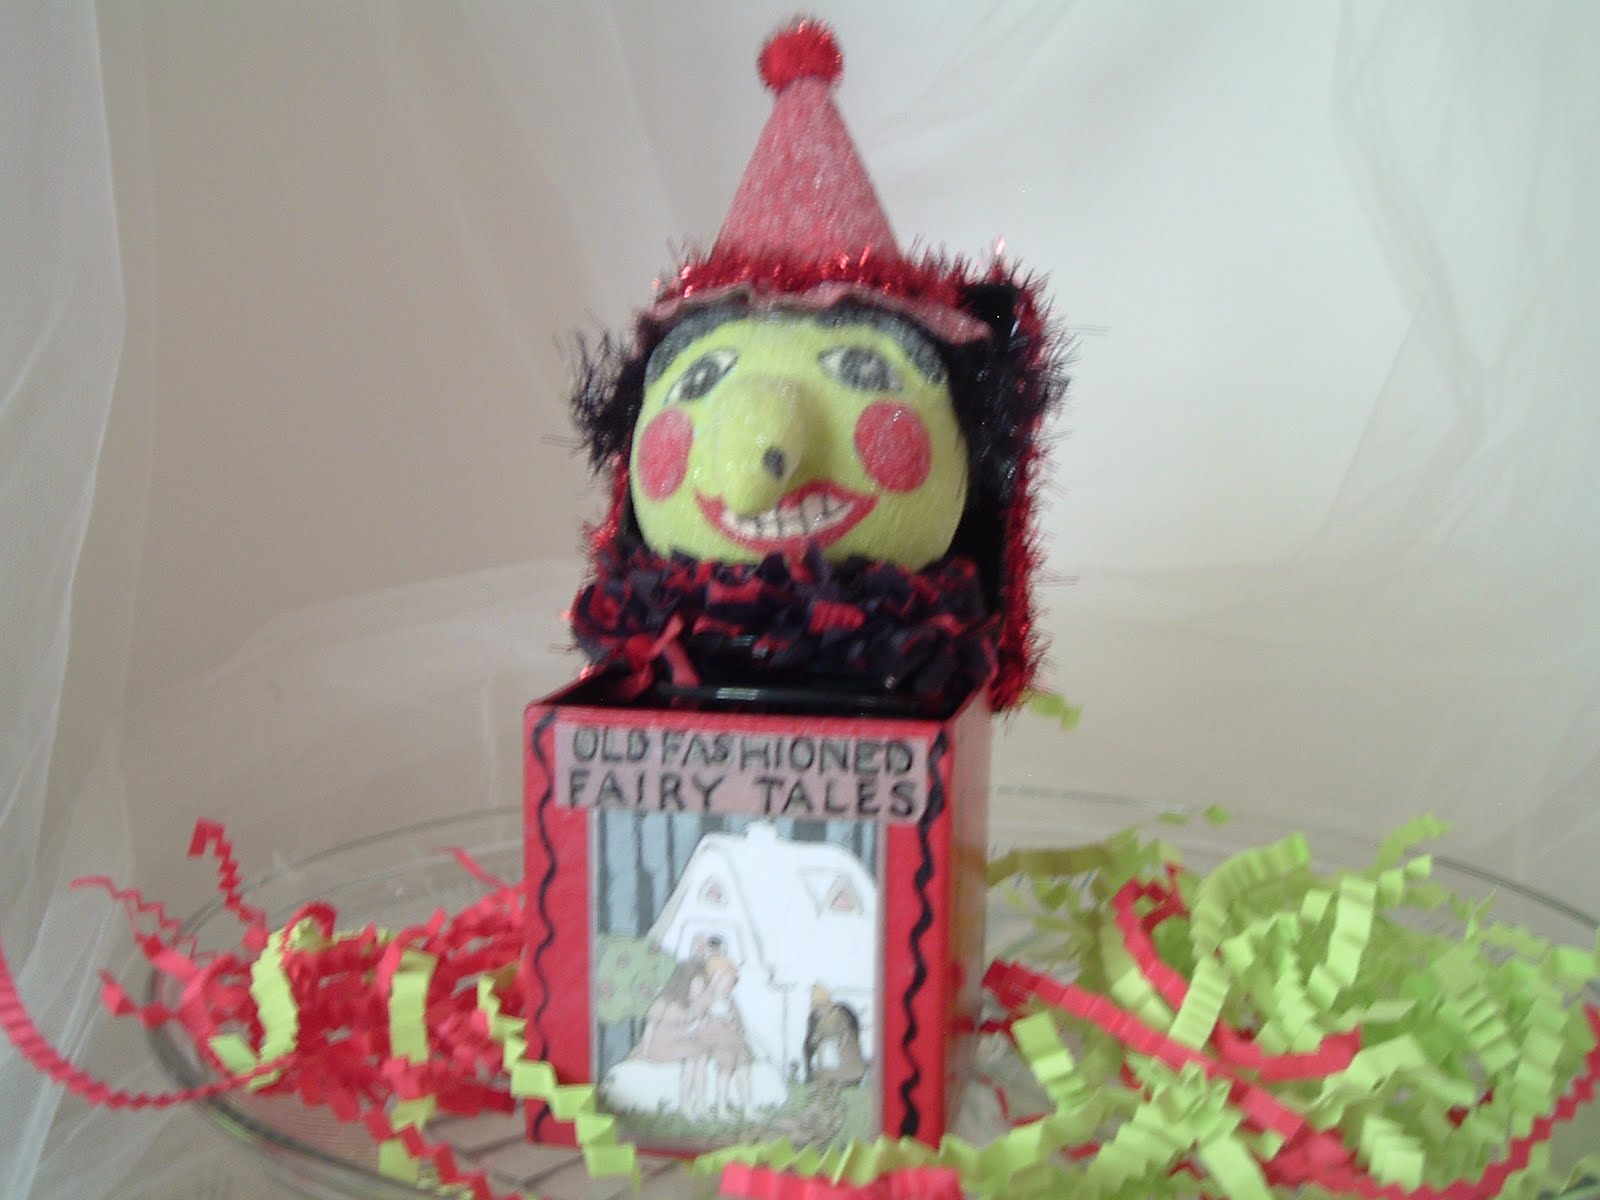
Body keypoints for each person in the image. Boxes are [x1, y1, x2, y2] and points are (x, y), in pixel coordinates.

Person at [627, 956, 711, 1119]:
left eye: (702, 985)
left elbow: (695, 1025)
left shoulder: (695, 1003)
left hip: (678, 1043)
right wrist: (644, 1052)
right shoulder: (665, 1002)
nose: (699, 988)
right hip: (659, 1045)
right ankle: (686, 1105)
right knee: (692, 1057)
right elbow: (650, 1028)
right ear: (684, 982)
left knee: (701, 1055)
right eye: (696, 984)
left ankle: (701, 1104)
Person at [697, 951, 754, 1116]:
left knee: (744, 1069)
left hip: (736, 1041)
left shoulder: (731, 1000)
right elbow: (701, 1020)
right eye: (723, 979)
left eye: (730, 980)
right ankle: (722, 1108)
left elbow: (739, 1020)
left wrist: (738, 1026)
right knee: (725, 1071)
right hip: (720, 1043)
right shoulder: (708, 999)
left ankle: (748, 1108)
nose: (728, 984)